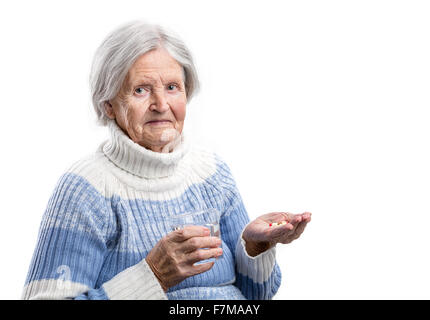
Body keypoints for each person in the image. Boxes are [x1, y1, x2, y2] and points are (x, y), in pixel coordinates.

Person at [22, 20, 312, 300]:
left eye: (172, 87)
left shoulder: (211, 172)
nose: (161, 105)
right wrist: (153, 275)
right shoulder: (88, 188)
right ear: (108, 105)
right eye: (141, 90)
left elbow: (257, 295)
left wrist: (255, 245)